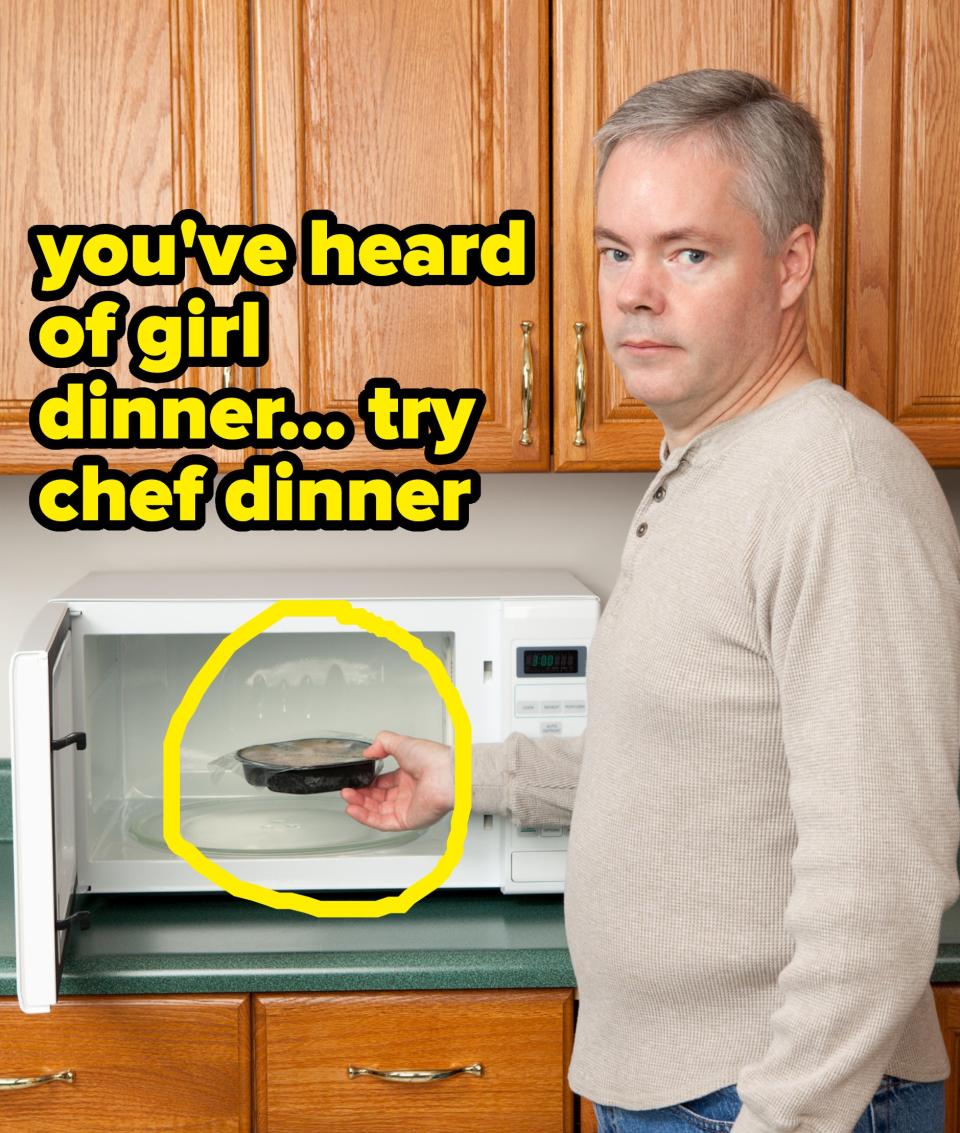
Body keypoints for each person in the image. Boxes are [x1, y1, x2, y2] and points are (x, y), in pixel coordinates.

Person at [341, 69, 960, 1133]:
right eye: (615, 251)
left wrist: (780, 1117)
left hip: (765, 1098)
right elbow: (703, 767)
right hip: (679, 1086)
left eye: (688, 252)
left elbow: (885, 876)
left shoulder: (837, 483)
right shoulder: (708, 461)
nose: (633, 291)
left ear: (790, 265)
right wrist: (476, 774)